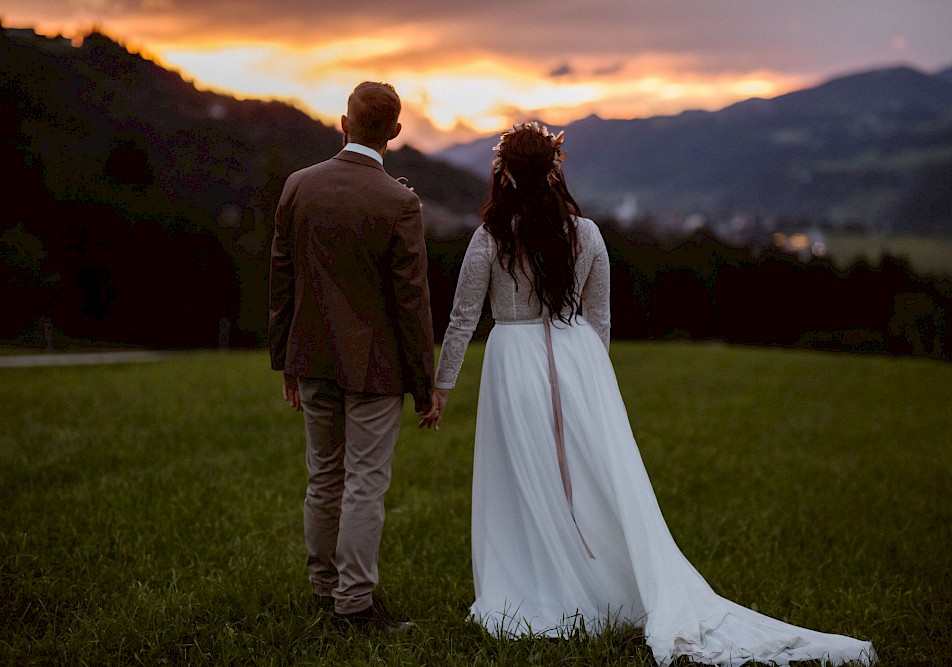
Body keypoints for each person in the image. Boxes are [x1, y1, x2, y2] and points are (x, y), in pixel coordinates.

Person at [421, 122, 876, 665]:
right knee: (590, 479)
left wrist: (441, 386)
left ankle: (541, 585)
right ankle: (590, 579)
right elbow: (600, 317)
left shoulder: (490, 237)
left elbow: (463, 317)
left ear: (503, 173)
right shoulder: (584, 234)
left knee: (523, 477)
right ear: (555, 170)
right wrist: (593, 381)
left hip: (511, 362)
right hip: (578, 359)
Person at [268, 81, 435, 633]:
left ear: (343, 123)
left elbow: (282, 279)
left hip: (311, 356)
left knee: (324, 477)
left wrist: (286, 360)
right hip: (376, 368)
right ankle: (354, 605)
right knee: (365, 482)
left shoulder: (297, 186)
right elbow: (412, 303)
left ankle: (323, 591)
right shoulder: (400, 202)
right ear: (394, 132)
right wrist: (423, 383)